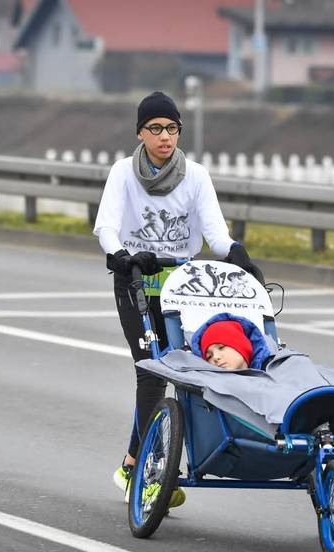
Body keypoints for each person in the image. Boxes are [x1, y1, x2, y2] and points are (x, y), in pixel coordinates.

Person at [93, 91, 262, 507]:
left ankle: (138, 463)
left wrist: (240, 257)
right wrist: (122, 257)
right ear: (140, 133)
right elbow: (106, 227)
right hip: (134, 280)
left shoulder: (196, 176)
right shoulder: (123, 174)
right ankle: (149, 468)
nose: (164, 137)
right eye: (155, 129)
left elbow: (216, 236)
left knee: (185, 372)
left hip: (181, 288)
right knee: (151, 372)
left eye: (171, 129)